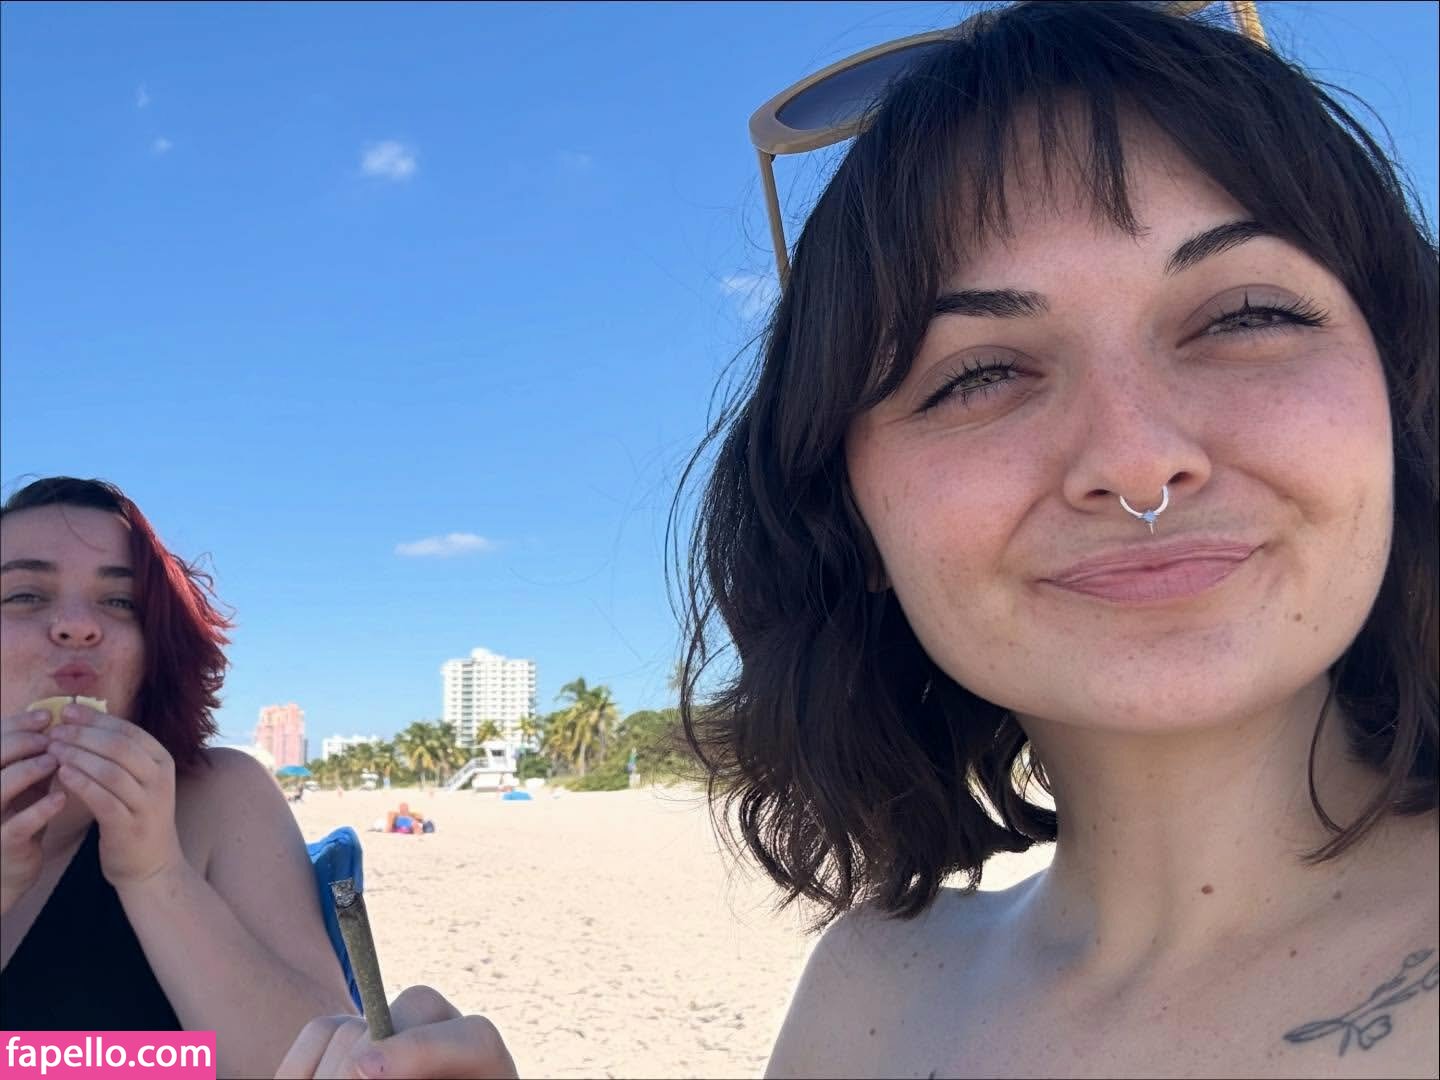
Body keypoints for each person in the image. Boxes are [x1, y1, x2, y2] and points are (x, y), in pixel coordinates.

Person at [277, 2, 1436, 1076]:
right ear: (854, 518)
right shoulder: (875, 982)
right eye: (980, 375)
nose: (1136, 459)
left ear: (1399, 392)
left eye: (1246, 317)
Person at [0, 477, 356, 1077]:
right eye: (25, 595)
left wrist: (155, 874)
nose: (78, 626)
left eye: (121, 602)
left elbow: (329, 1063)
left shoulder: (218, 795)